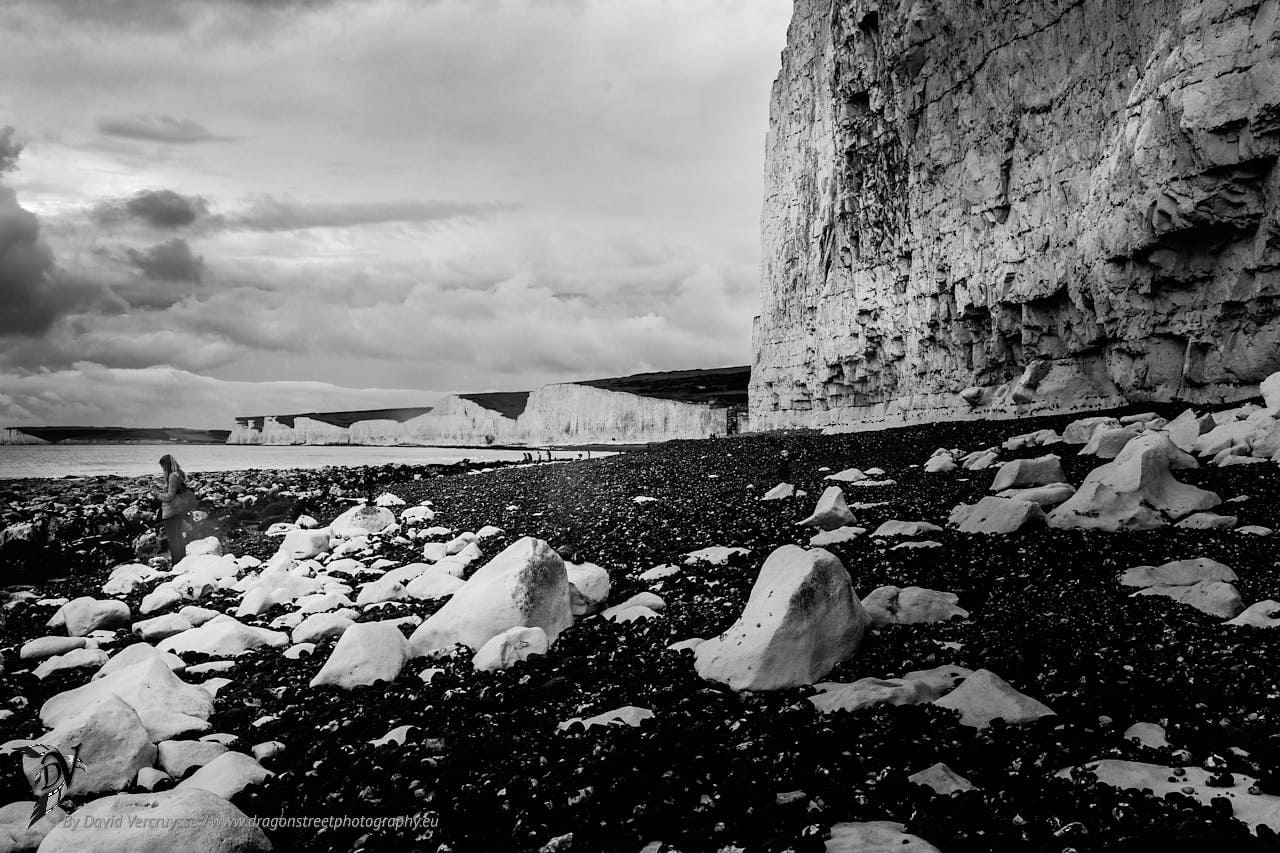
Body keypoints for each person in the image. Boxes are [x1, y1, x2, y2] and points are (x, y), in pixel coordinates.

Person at [154, 454, 192, 564]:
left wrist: (157, 494)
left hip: (171, 511)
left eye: (163, 466)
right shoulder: (179, 474)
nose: (162, 469)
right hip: (179, 509)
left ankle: (176, 562)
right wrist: (162, 487)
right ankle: (182, 560)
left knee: (173, 538)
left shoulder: (172, 477)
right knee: (178, 535)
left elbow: (170, 496)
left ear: (166, 465)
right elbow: (175, 491)